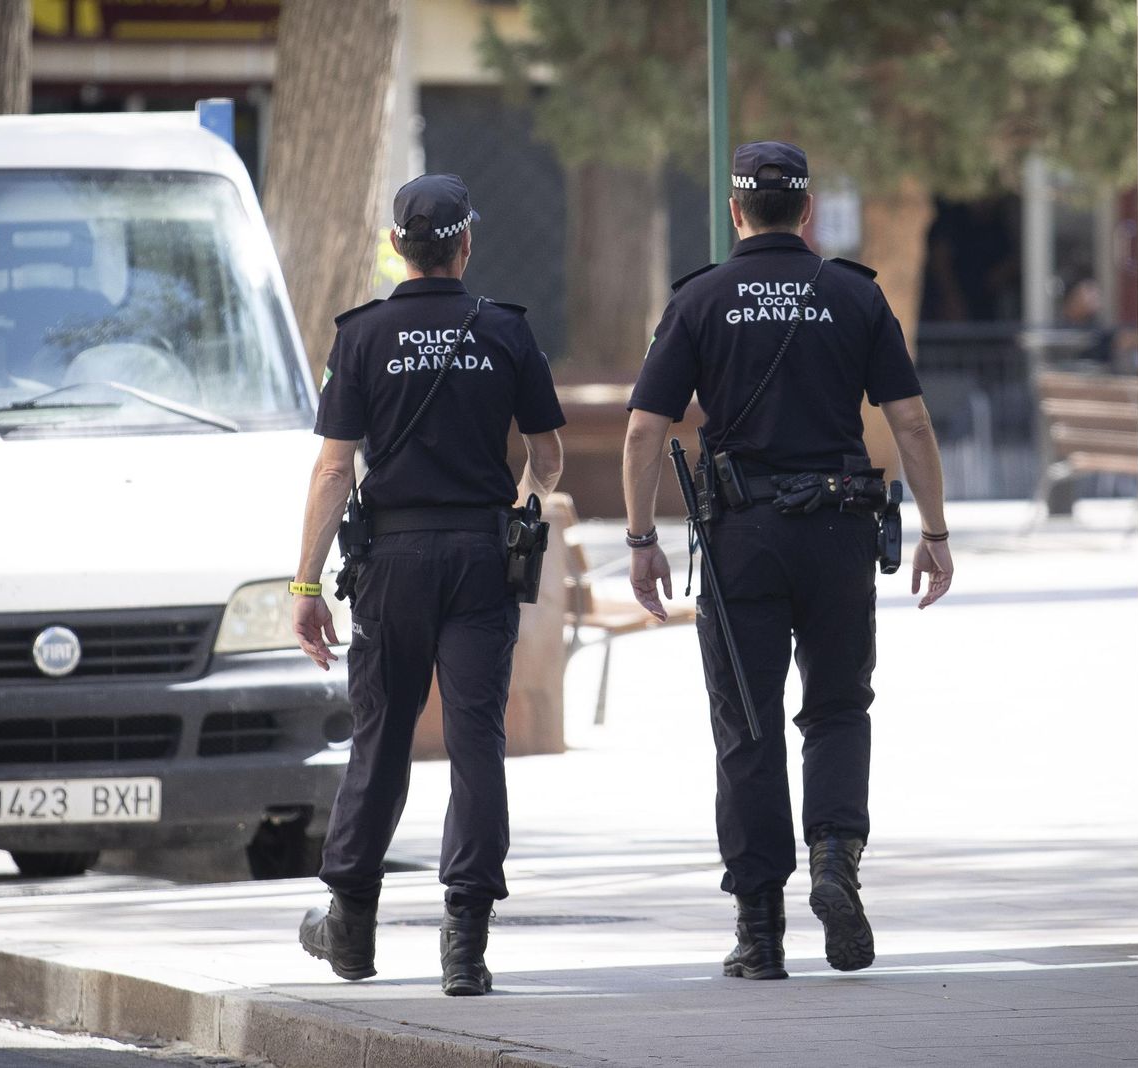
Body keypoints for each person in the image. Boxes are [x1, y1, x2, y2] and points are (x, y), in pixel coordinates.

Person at [620, 142, 953, 980]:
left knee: (748, 727)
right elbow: (910, 422)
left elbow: (642, 430)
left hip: (743, 537)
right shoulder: (852, 293)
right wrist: (937, 532)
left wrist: (639, 539)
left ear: (738, 213)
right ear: (806, 212)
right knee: (839, 707)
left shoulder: (701, 298)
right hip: (841, 527)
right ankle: (837, 860)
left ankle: (760, 932)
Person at [289, 173, 565, 996]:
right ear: (465, 245)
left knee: (381, 737)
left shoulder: (364, 336)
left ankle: (350, 927)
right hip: (482, 557)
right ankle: (465, 944)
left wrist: (307, 588)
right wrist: (526, 501)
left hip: (392, 564)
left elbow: (335, 468)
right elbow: (546, 457)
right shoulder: (507, 333)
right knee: (477, 741)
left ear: (399, 247)